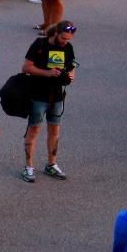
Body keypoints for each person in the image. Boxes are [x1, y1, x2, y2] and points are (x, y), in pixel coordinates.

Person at [21, 21, 77, 182]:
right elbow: (26, 67)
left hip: (57, 96)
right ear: (56, 33)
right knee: (34, 131)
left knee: (54, 131)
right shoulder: (40, 44)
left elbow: (72, 65)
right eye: (64, 38)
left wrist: (71, 75)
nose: (65, 42)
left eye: (68, 39)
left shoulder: (68, 47)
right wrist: (47, 73)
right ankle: (28, 167)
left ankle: (51, 164)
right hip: (38, 95)